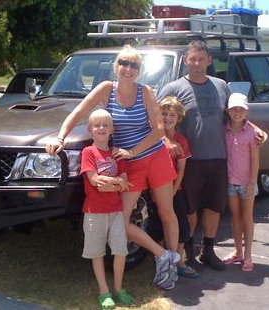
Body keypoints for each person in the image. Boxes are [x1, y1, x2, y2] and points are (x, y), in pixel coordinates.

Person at [45, 45, 180, 290]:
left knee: (166, 212)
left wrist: (133, 151)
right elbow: (78, 112)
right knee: (121, 222)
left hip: (154, 157)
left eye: (134, 65)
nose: (128, 69)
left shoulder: (146, 91)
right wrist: (60, 137)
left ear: (139, 70)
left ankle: (171, 266)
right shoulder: (106, 89)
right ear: (116, 66)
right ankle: (164, 255)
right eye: (124, 63)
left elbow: (158, 130)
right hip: (129, 164)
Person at [157, 40, 267, 271]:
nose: (196, 64)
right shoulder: (173, 88)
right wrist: (166, 140)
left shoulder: (220, 86)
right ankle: (188, 252)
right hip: (189, 162)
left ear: (209, 61)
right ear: (186, 59)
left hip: (218, 159)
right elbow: (158, 120)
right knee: (190, 209)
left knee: (214, 207)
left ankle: (208, 250)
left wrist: (256, 129)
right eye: (192, 59)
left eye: (201, 59)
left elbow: (235, 115)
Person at [80, 109, 135, 308]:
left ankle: (119, 288)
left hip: (116, 210)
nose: (101, 128)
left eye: (105, 125)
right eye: (97, 125)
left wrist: (112, 183)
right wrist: (116, 182)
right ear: (90, 130)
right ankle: (104, 291)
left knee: (120, 250)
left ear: (112, 129)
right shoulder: (88, 152)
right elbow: (94, 180)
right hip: (94, 211)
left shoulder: (116, 154)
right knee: (97, 252)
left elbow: (125, 183)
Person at [160, 96, 199, 278]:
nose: (168, 118)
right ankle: (164, 259)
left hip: (175, 190)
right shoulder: (155, 138)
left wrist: (173, 192)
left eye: (172, 115)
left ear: (179, 118)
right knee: (158, 226)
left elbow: (181, 170)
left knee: (182, 226)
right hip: (156, 189)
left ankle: (178, 260)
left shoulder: (181, 141)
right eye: (164, 114)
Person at [223, 93, 260, 272]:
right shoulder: (224, 129)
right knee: (235, 217)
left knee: (247, 218)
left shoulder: (252, 133)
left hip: (246, 182)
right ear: (228, 111)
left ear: (247, 111)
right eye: (233, 109)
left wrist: (252, 182)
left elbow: (255, 159)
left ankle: (248, 254)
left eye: (241, 109)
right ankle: (237, 250)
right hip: (230, 181)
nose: (237, 112)